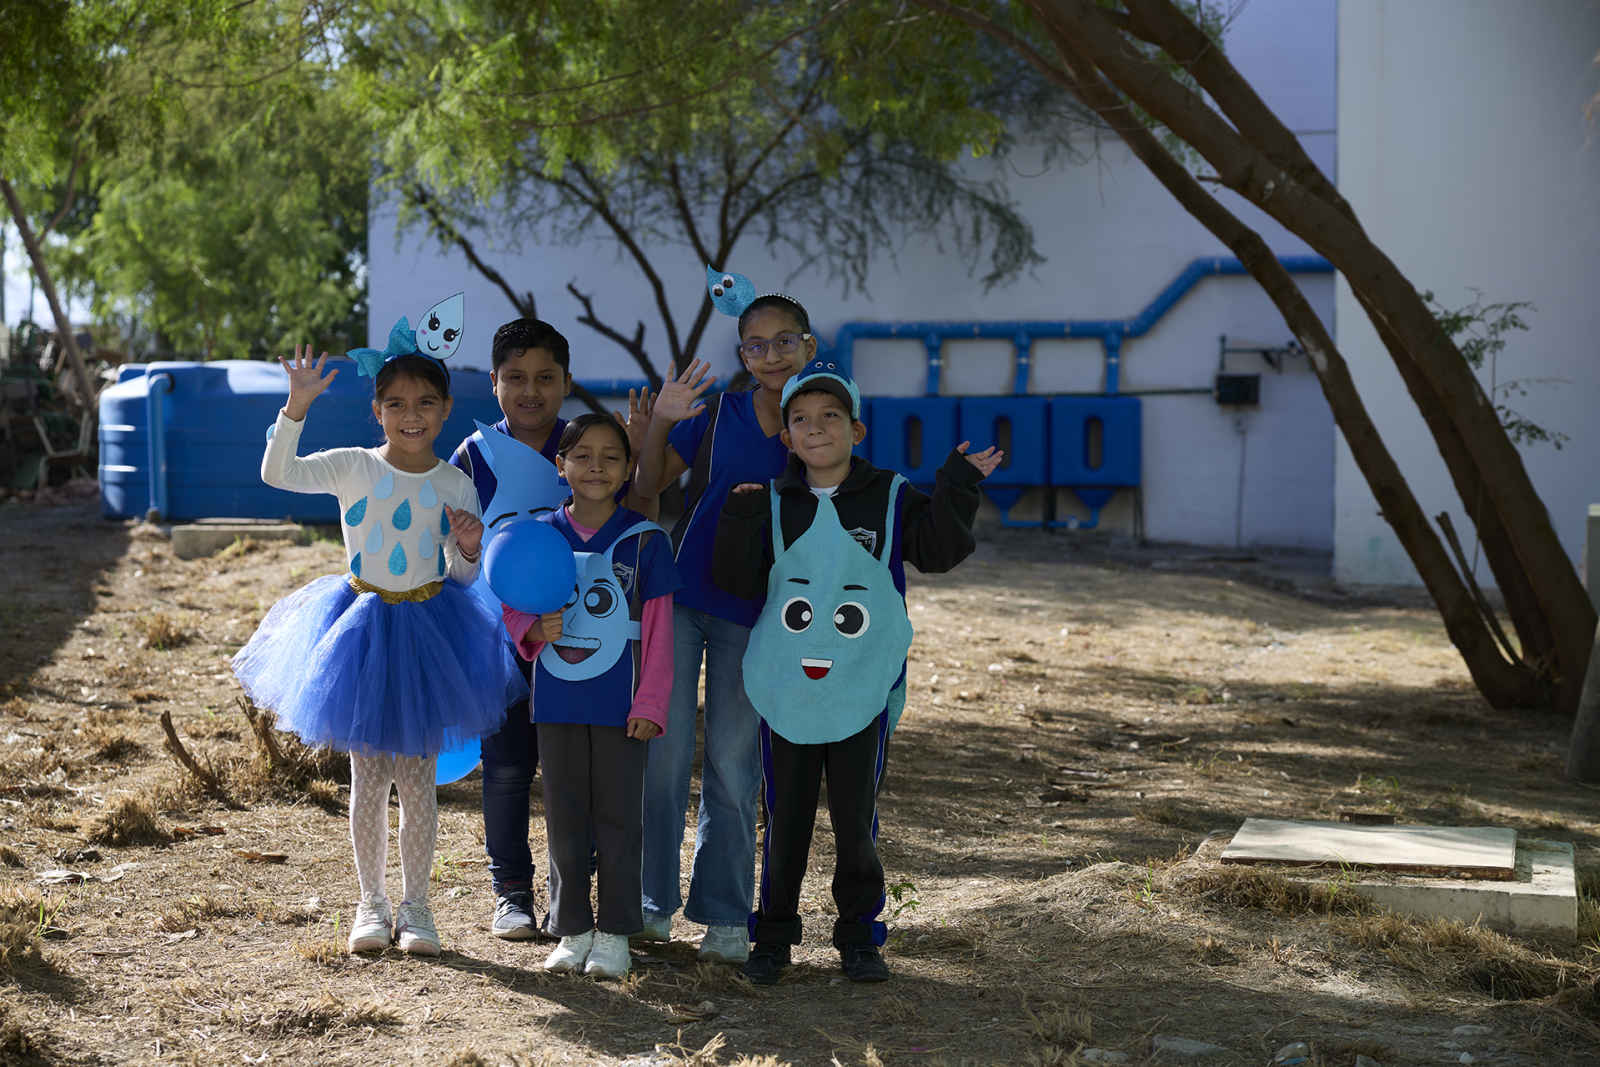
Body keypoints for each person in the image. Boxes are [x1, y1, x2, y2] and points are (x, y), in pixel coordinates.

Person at [232, 318, 521, 958]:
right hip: (361, 628)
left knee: (417, 777)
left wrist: (469, 549)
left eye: (425, 403)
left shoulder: (454, 483)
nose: (410, 415)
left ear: (446, 409)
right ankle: (372, 903)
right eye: (396, 403)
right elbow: (279, 474)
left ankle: (418, 907)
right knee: (368, 777)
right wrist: (296, 406)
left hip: (427, 631)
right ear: (377, 409)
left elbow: (464, 577)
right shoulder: (352, 467)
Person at [712, 359, 1001, 984]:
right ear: (786, 437)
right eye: (801, 420)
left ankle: (860, 938)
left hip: (860, 686)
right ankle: (774, 937)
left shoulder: (890, 494)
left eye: (831, 417)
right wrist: (738, 521)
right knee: (784, 815)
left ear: (857, 430)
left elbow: (936, 551)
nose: (816, 429)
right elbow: (736, 584)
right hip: (790, 685)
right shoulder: (774, 501)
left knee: (855, 816)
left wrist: (957, 484)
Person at [629, 270, 814, 964]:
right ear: (742, 355)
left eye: (783, 341)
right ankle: (649, 907)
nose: (770, 355)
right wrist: (663, 424)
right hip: (680, 600)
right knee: (662, 756)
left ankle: (727, 916)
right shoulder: (718, 415)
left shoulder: (820, 419)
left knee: (735, 769)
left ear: (809, 345)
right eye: (755, 345)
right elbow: (647, 486)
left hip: (759, 615)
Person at [450, 319, 653, 941]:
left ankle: (583, 895)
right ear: (493, 383)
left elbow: (630, 526)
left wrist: (642, 451)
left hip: (589, 642)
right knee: (508, 767)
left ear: (567, 381)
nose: (530, 391)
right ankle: (510, 889)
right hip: (502, 639)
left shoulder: (591, 448)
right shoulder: (472, 456)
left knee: (585, 775)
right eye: (515, 378)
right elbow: (456, 552)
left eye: (545, 378)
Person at [500, 414, 682, 979]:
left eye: (611, 456)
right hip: (556, 702)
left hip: (621, 705)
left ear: (629, 469)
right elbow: (512, 606)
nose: (596, 466)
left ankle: (616, 933)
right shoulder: (538, 535)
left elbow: (659, 633)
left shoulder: (645, 541)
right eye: (582, 454)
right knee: (565, 817)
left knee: (620, 819)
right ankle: (572, 928)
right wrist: (531, 629)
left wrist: (651, 703)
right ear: (561, 466)